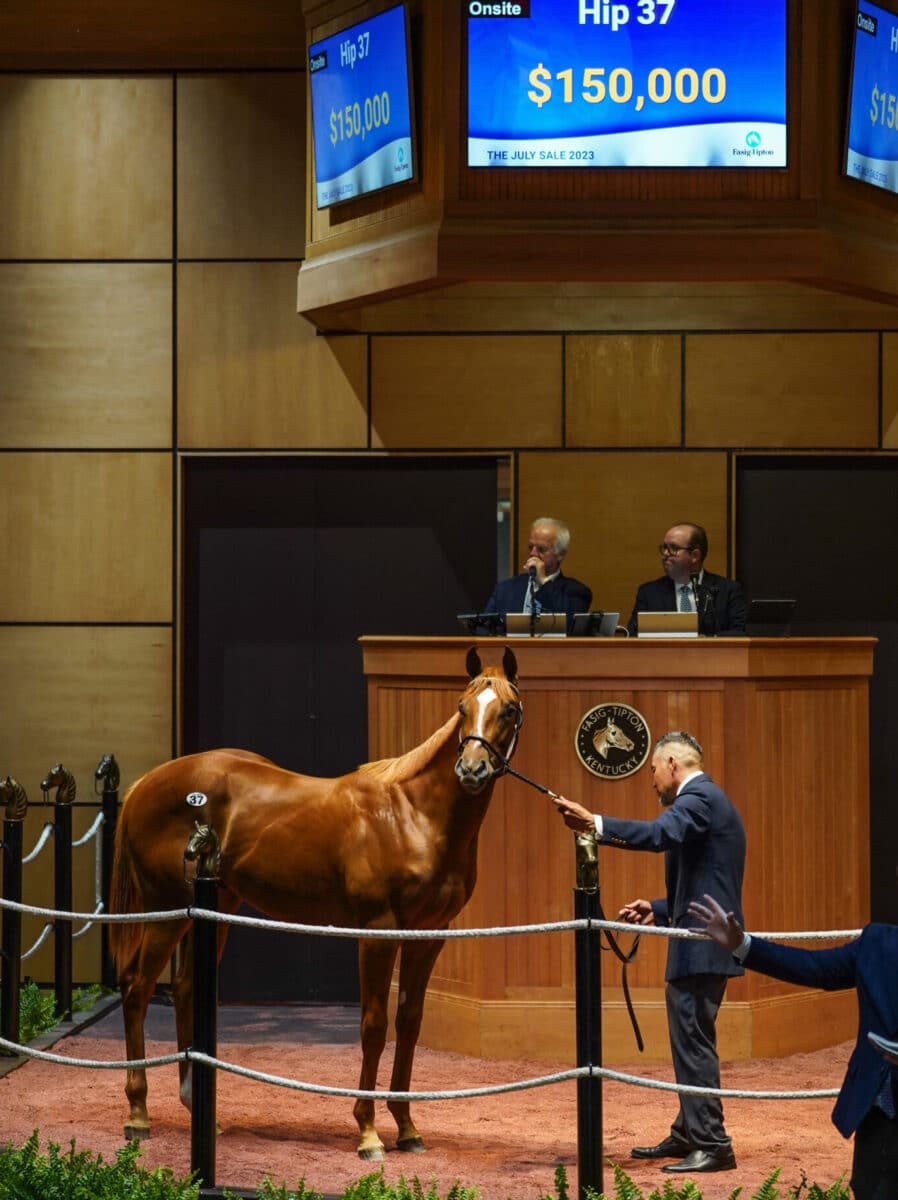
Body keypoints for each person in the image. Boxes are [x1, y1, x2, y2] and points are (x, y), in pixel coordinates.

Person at [552, 731, 745, 1174]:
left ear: (673, 764)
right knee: (690, 1040)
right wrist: (659, 908)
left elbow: (660, 835)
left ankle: (713, 1143)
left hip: (702, 948)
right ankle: (690, 1132)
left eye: (654, 772)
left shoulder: (698, 799)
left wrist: (595, 824)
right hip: (703, 944)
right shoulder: (707, 801)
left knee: (693, 1042)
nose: (652, 782)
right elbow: (706, 875)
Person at [689, 889, 898, 1200]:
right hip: (881, 1114)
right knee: (870, 1190)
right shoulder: (878, 942)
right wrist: (742, 945)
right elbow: (813, 967)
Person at [626, 522, 746, 637]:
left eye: (673, 548)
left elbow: (740, 632)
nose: (665, 553)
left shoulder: (728, 590)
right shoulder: (649, 593)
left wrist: (708, 639)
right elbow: (633, 634)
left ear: (695, 556)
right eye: (664, 547)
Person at [484, 517, 591, 632]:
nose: (533, 554)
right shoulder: (506, 588)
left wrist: (543, 582)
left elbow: (569, 623)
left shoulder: (577, 592)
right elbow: (483, 628)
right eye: (531, 547)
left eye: (541, 549)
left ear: (561, 554)